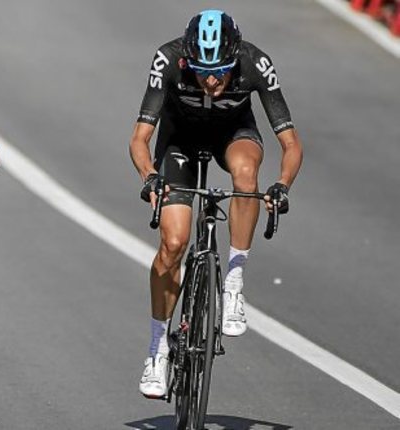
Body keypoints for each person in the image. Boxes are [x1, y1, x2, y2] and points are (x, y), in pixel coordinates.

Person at [128, 10, 303, 399]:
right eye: (202, 72)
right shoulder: (168, 58)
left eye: (220, 71)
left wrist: (282, 185)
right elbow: (140, 138)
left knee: (246, 175)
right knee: (173, 243)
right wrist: (149, 176)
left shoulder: (255, 62)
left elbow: (291, 144)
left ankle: (234, 282)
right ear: (188, 59)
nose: (210, 81)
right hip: (179, 141)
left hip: (233, 134)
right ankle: (157, 349)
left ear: (234, 59)